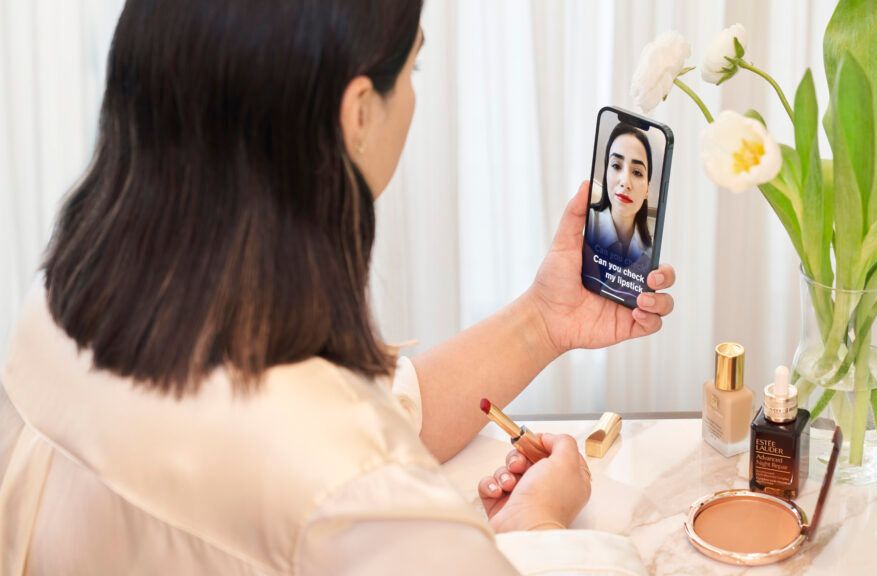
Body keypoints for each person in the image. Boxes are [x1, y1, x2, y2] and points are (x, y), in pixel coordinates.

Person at [0, 1, 676, 574]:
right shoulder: (340, 476)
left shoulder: (60, 311)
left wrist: (543, 320)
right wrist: (537, 523)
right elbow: (351, 458)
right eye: (411, 68)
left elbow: (381, 410)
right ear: (357, 112)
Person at [586, 123, 656, 267]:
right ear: (606, 174)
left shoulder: (650, 251)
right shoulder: (586, 225)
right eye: (616, 166)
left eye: (637, 172)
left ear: (647, 189)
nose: (625, 182)